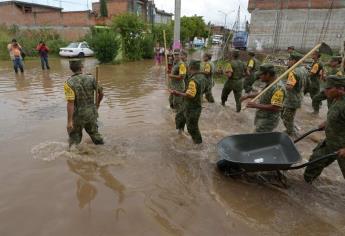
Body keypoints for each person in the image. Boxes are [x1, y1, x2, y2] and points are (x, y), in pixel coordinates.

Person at [303, 75, 345, 183]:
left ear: (340, 88)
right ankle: (306, 187)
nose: (325, 91)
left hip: (343, 146)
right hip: (332, 142)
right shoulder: (337, 99)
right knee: (315, 160)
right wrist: (327, 123)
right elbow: (339, 118)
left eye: (328, 89)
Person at [64, 59, 104, 146]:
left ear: (71, 69)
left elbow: (70, 103)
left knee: (74, 140)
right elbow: (101, 93)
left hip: (78, 115)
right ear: (82, 67)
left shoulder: (69, 83)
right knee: (96, 136)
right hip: (91, 113)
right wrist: (97, 104)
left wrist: (69, 121)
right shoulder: (92, 78)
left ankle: (73, 158)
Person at [241, 64, 285, 132]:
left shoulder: (278, 88)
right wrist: (247, 96)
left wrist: (255, 105)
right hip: (262, 117)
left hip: (268, 120)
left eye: (261, 74)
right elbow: (262, 93)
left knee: (256, 139)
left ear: (267, 74)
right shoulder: (270, 83)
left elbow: (276, 107)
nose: (259, 76)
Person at [171, 60, 206, 144]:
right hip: (189, 104)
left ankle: (198, 145)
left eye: (189, 67)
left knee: (192, 127)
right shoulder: (202, 77)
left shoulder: (193, 80)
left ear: (191, 68)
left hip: (192, 107)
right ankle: (180, 134)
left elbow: (190, 95)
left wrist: (177, 93)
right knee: (179, 117)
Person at [281, 52, 308, 137]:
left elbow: (289, 87)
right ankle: (293, 128)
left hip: (291, 99)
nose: (288, 61)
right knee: (286, 114)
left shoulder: (293, 72)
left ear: (294, 60)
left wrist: (281, 86)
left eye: (289, 59)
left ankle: (291, 133)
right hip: (299, 96)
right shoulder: (304, 69)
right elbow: (307, 83)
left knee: (286, 117)